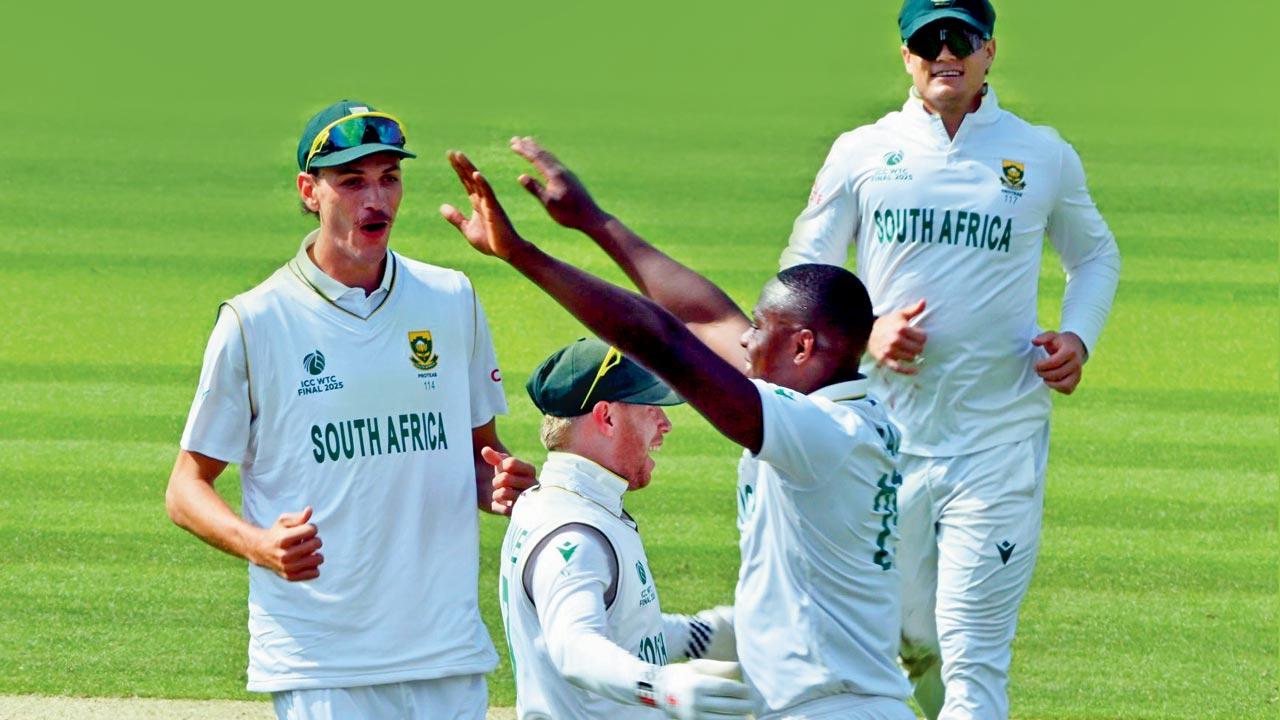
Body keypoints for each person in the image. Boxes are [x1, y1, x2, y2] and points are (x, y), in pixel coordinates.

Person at [440, 140, 915, 720]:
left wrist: (523, 254)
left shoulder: (823, 433)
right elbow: (702, 316)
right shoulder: (832, 407)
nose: (744, 341)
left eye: (759, 328)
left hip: (833, 709)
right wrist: (594, 222)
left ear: (802, 346)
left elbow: (664, 339)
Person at [780, 1, 1122, 717]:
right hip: (881, 441)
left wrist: (1078, 336)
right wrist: (865, 330)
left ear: (989, 50)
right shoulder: (863, 151)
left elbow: (1094, 256)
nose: (945, 53)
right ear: (906, 55)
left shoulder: (1041, 153)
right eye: (928, 39)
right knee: (912, 642)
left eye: (960, 37)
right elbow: (803, 274)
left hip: (998, 440)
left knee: (973, 657)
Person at [164, 99, 535, 720]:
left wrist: (503, 484)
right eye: (353, 181)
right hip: (325, 664)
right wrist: (260, 545)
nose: (377, 199)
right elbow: (184, 489)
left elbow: (479, 455)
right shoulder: (255, 321)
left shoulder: (451, 298)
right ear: (309, 191)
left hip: (446, 652)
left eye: (390, 178)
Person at [499, 337, 753, 720]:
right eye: (651, 408)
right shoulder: (575, 536)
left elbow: (621, 627)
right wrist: (661, 687)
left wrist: (707, 633)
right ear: (607, 418)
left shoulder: (556, 504)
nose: (665, 424)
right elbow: (574, 647)